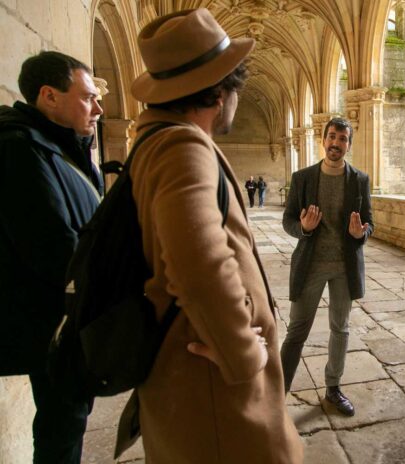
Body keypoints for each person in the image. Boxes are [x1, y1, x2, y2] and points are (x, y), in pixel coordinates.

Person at [119, 9, 302, 463]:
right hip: (215, 385)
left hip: (195, 373)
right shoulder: (183, 147)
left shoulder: (155, 140)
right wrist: (242, 353)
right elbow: (198, 264)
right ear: (221, 92)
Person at [0, 51, 103, 463]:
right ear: (49, 96)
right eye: (88, 97)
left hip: (65, 315)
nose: (98, 108)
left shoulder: (54, 145)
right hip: (51, 321)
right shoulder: (20, 149)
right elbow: (52, 247)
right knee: (61, 429)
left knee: (68, 420)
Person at [281, 117, 373, 416]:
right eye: (332, 136)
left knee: (340, 328)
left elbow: (369, 222)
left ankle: (333, 388)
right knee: (297, 330)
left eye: (343, 138)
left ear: (349, 144)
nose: (336, 143)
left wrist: (362, 233)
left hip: (344, 267)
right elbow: (289, 221)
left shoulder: (359, 179)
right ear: (323, 140)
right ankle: (277, 391)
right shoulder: (303, 178)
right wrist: (304, 228)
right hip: (311, 265)